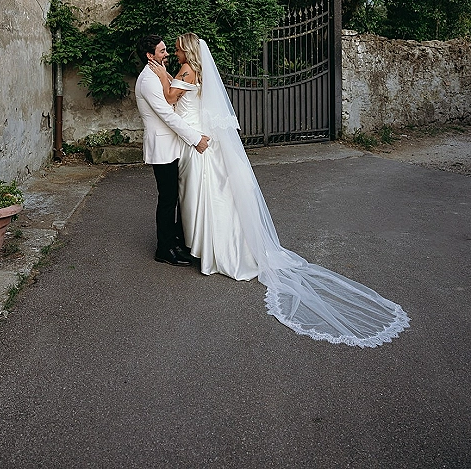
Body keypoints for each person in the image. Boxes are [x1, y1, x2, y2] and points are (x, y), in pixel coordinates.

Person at [150, 33, 411, 347]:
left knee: (203, 197)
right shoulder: (197, 70)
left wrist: (158, 71)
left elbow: (168, 100)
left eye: (176, 49)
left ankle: (212, 252)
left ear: (186, 51)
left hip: (196, 143)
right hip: (202, 139)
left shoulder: (186, 71)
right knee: (211, 198)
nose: (174, 53)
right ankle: (210, 247)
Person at [134, 34, 209, 268]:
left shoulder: (160, 74)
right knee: (167, 199)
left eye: (167, 50)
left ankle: (175, 242)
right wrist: (195, 138)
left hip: (173, 145)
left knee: (174, 196)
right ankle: (164, 249)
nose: (167, 54)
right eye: (162, 51)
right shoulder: (147, 80)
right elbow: (166, 114)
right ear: (150, 56)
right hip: (162, 147)